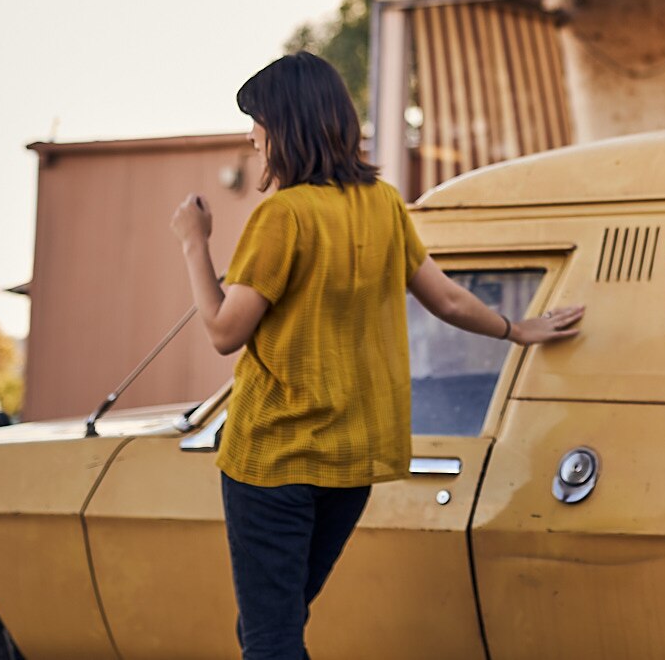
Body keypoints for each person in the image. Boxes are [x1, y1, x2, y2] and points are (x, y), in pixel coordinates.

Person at [170, 51, 584, 660]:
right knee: (275, 627)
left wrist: (193, 244)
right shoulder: (383, 204)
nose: (251, 136)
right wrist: (516, 329)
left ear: (285, 125)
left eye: (255, 120)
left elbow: (224, 332)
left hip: (275, 458)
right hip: (352, 462)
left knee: (270, 638)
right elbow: (443, 297)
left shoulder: (283, 217)